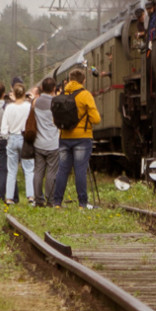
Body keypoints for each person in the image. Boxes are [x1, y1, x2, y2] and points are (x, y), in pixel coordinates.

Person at [49, 65, 101, 210]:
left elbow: (55, 120)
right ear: (83, 81)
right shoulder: (85, 95)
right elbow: (96, 119)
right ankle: (82, 204)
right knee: (80, 170)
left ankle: (57, 203)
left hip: (64, 137)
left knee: (63, 170)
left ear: (69, 80)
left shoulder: (61, 95)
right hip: (82, 138)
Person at [29, 76, 61, 207]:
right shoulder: (56, 102)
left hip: (38, 142)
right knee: (51, 173)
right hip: (53, 143)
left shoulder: (35, 102)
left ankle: (38, 199)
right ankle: (51, 200)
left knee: (38, 172)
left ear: (42, 88)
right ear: (54, 88)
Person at [1, 85, 34, 204]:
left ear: (14, 94)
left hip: (12, 138)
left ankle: (9, 197)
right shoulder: (29, 106)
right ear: (24, 94)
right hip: (25, 138)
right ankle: (31, 196)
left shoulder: (9, 108)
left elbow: (4, 127)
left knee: (11, 170)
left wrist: (7, 136)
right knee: (29, 169)